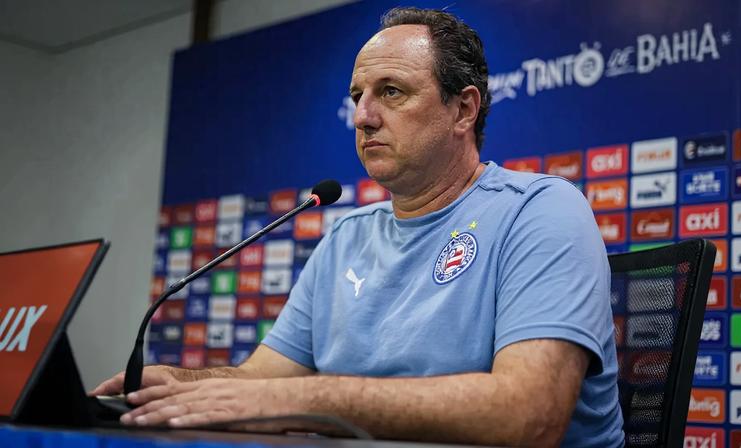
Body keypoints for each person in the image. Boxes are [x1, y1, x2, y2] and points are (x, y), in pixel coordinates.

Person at [92, 7, 623, 447]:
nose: (363, 116)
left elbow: (527, 416)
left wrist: (305, 401)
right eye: (356, 96)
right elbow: (264, 381)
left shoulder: (542, 210)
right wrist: (182, 384)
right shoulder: (346, 236)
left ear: (463, 109)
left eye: (391, 91)